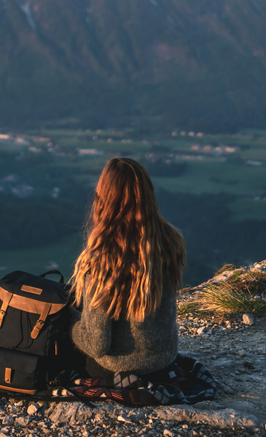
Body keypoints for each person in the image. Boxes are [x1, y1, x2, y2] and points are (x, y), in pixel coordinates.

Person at [70, 157, 186, 377]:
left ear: (104, 198)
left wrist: (69, 323)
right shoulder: (170, 240)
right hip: (165, 361)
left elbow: (97, 344)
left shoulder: (103, 257)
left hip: (119, 368)